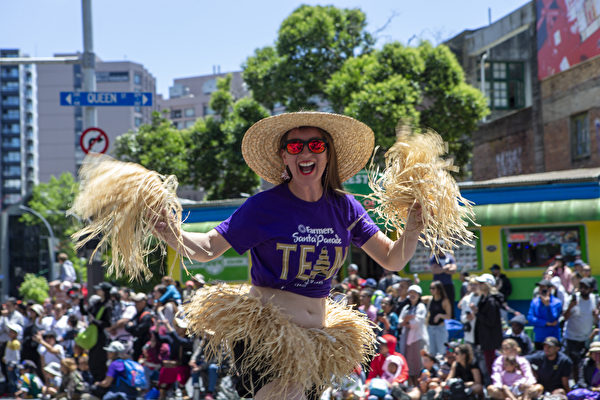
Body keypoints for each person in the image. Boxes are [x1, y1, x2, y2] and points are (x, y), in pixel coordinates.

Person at [154, 112, 425, 399]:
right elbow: (209, 247)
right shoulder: (264, 207)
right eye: (295, 146)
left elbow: (392, 259)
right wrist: (172, 233)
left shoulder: (345, 207)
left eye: (315, 145)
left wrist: (413, 228)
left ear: (328, 154)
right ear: (284, 157)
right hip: (268, 337)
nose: (306, 152)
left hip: (317, 344)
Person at [563, 277, 598, 380]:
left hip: (586, 338)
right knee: (574, 363)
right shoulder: (573, 298)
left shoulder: (594, 299)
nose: (583, 289)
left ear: (591, 289)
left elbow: (595, 321)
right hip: (572, 337)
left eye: (585, 288)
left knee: (586, 362)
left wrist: (596, 315)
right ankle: (577, 383)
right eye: (581, 287)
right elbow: (564, 317)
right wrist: (570, 307)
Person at [472, 273, 503, 375]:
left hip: (491, 341)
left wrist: (477, 313)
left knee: (493, 367)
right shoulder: (484, 299)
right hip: (486, 340)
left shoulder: (491, 301)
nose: (479, 285)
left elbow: (490, 321)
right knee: (489, 366)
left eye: (481, 283)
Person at [399, 285, 429, 385]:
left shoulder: (421, 307)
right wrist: (407, 320)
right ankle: (411, 384)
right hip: (407, 337)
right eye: (410, 293)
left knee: (418, 363)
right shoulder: (406, 308)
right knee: (408, 362)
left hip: (417, 338)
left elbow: (417, 322)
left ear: (419, 295)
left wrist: (407, 321)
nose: (412, 295)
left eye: (414, 293)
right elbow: (400, 322)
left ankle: (418, 385)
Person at [527, 279, 562, 349]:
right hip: (539, 337)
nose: (541, 290)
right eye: (540, 288)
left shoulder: (557, 302)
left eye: (543, 288)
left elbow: (552, 319)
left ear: (550, 289)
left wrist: (547, 306)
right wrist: (545, 323)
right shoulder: (535, 302)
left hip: (552, 337)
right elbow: (530, 318)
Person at [422, 280, 452, 358]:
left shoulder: (445, 301)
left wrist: (439, 315)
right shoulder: (430, 299)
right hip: (430, 328)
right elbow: (417, 297)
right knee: (431, 352)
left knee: (442, 352)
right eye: (430, 288)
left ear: (439, 289)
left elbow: (449, 316)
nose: (431, 290)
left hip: (440, 329)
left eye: (433, 288)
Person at [428, 249, 457, 317]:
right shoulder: (434, 258)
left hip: (448, 284)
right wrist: (447, 268)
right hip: (437, 285)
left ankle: (450, 319)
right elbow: (434, 270)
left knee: (450, 302)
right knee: (437, 301)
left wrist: (441, 269)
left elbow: (453, 270)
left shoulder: (450, 257)